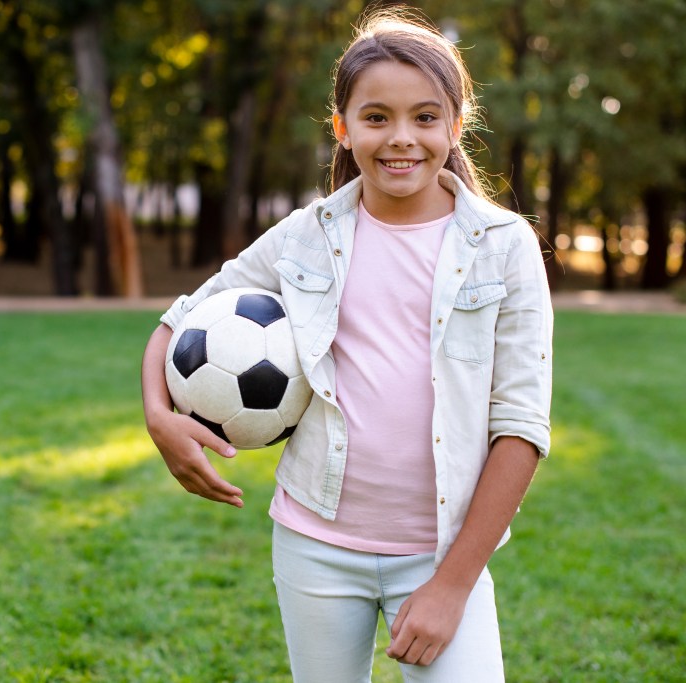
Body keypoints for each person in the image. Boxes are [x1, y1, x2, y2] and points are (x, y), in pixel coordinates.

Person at [141, 9, 553, 682]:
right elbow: (178, 320)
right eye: (376, 117)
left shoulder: (503, 247)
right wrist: (161, 418)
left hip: (443, 552)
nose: (401, 139)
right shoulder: (307, 235)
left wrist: (451, 585)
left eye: (425, 118)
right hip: (316, 543)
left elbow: (520, 428)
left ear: (456, 125)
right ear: (342, 126)